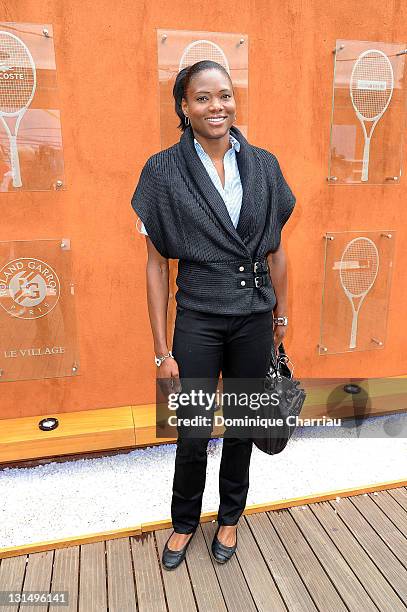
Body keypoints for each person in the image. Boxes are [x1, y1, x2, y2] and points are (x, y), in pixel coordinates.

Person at [131, 60, 296, 570]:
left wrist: (280, 321)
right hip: (198, 317)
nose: (216, 106)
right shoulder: (162, 171)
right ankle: (184, 523)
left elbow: (278, 252)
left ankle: (230, 517)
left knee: (245, 424)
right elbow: (157, 266)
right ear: (184, 106)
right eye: (202, 98)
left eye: (224, 95)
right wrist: (162, 351)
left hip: (253, 316)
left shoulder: (264, 165)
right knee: (193, 429)